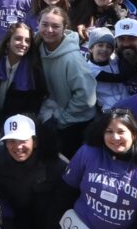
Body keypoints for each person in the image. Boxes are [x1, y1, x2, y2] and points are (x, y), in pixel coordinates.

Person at [34, 8, 97, 155]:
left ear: (64, 28)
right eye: (44, 24)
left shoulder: (73, 59)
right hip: (49, 117)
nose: (49, 30)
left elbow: (87, 98)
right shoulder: (35, 49)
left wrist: (62, 119)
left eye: (55, 26)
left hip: (74, 125)